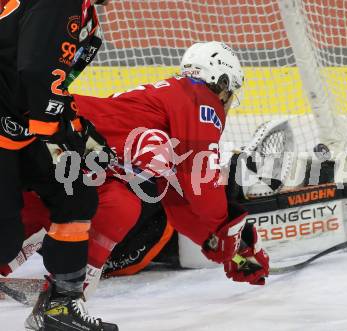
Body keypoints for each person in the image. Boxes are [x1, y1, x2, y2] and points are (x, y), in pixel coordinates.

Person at [1, 42, 270, 300]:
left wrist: (222, 243)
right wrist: (229, 234)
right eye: (229, 92)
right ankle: (63, 296)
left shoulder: (166, 101)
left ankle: (56, 291)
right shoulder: (200, 99)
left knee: (118, 202)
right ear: (221, 82)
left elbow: (176, 201)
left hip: (49, 134)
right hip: (58, 136)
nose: (227, 102)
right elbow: (201, 187)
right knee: (118, 206)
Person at [0, 1, 117, 330]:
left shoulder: (79, 9)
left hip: (15, 127)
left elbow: (35, 72)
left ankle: (59, 308)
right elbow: (37, 71)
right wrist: (61, 130)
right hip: (15, 125)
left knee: (74, 191)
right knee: (3, 242)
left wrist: (75, 126)